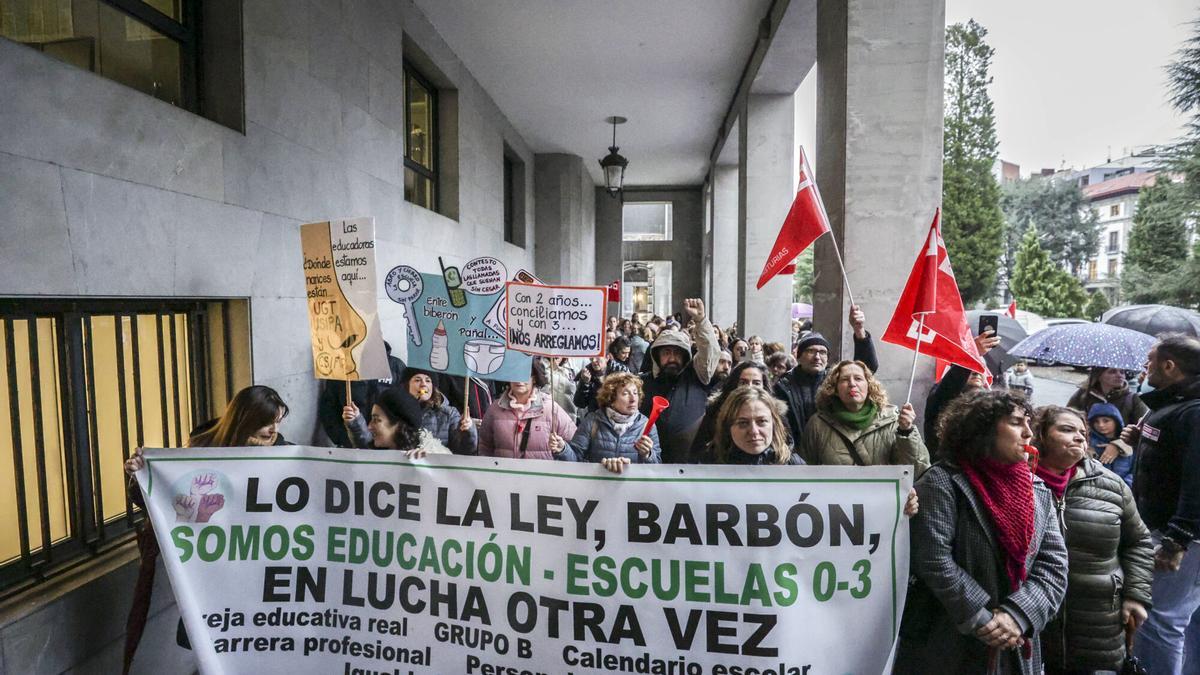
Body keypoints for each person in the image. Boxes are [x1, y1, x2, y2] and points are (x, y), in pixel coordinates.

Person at [895, 390, 1068, 675]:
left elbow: (1054, 564)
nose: (1028, 433)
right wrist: (984, 619)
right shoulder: (944, 481)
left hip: (1015, 645)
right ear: (983, 430)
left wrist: (1018, 615)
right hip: (949, 645)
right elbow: (933, 558)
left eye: (1028, 422)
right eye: (1016, 422)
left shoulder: (1036, 489)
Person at [122, 385, 290, 673]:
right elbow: (168, 499)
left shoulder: (285, 453)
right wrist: (141, 476)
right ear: (246, 419)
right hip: (213, 569)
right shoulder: (203, 448)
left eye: (278, 421)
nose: (273, 430)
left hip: (260, 567)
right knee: (214, 645)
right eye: (267, 422)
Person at [1030, 405, 1153, 674]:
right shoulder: (1018, 482)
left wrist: (1136, 595)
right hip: (1034, 619)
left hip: (1098, 621)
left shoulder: (1111, 484)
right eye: (1067, 429)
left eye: (1082, 432)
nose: (1079, 437)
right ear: (1040, 435)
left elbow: (1139, 542)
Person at [1123, 335, 1200, 674]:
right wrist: (1143, 441)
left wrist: (1176, 540)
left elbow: (1196, 480)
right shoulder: (1173, 406)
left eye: (1151, 360)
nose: (1145, 366)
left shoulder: (1194, 411)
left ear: (1169, 366)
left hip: (1182, 538)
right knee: (1186, 619)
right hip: (1171, 531)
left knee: (1160, 621)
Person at [798, 360, 929, 476]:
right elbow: (805, 471)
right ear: (835, 389)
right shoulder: (818, 423)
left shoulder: (892, 421)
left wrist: (906, 432)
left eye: (858, 379)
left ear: (869, 386)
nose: (852, 384)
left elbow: (918, 470)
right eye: (844, 380)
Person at [773, 304, 880, 443]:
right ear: (798, 357)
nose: (817, 357)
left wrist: (859, 331)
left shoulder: (837, 380)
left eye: (822, 352)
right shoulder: (783, 386)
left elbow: (867, 367)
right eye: (811, 351)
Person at [641, 298, 720, 463]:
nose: (672, 358)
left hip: (691, 462)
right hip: (650, 462)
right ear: (657, 356)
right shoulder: (643, 383)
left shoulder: (697, 376)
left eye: (677, 353)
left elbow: (709, 351)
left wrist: (701, 321)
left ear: (685, 356)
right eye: (666, 353)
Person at [342, 368, 475, 454]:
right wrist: (355, 422)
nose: (423, 384)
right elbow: (371, 446)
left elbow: (464, 450)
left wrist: (468, 431)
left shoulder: (448, 414)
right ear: (406, 385)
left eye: (428, 381)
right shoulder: (392, 408)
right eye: (417, 380)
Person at [557, 372, 660, 473]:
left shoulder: (646, 425)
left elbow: (657, 468)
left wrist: (648, 455)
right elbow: (575, 459)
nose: (633, 399)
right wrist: (563, 449)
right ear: (611, 399)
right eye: (625, 394)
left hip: (632, 484)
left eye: (635, 393)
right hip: (598, 483)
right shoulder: (592, 421)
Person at [923, 330, 1001, 457]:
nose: (976, 372)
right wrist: (972, 354)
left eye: (980, 368)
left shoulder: (989, 404)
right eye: (972, 367)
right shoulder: (940, 396)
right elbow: (949, 387)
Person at [317, 341, 405, 447]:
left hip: (387, 445)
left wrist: (396, 439)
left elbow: (406, 407)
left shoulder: (396, 366)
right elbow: (329, 406)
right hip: (351, 443)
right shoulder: (342, 366)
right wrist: (342, 438)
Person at [479, 369, 578, 460]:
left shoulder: (550, 408)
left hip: (541, 473)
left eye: (525, 374)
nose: (519, 380)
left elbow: (575, 446)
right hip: (503, 472)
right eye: (514, 374)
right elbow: (484, 446)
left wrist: (563, 449)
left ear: (534, 378)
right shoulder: (495, 409)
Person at [688, 360, 771, 463]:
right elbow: (698, 450)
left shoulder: (774, 414)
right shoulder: (715, 412)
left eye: (756, 383)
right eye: (743, 383)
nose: (749, 387)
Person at [708, 385, 804, 466]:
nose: (754, 431)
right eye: (743, 423)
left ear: (774, 424)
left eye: (762, 421)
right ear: (728, 427)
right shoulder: (708, 465)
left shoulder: (795, 466)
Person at [1067, 367, 1148, 431]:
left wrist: (1118, 444)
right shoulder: (1084, 394)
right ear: (1099, 375)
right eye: (1112, 372)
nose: (1119, 375)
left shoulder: (1133, 399)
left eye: (1122, 372)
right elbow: (1068, 418)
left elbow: (1142, 429)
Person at [1086, 402, 1134, 487]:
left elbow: (1135, 470)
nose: (1101, 425)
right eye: (1096, 421)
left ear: (1116, 421)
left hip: (1125, 489)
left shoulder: (1129, 443)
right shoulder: (1087, 443)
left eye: (1106, 421)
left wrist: (1125, 485)